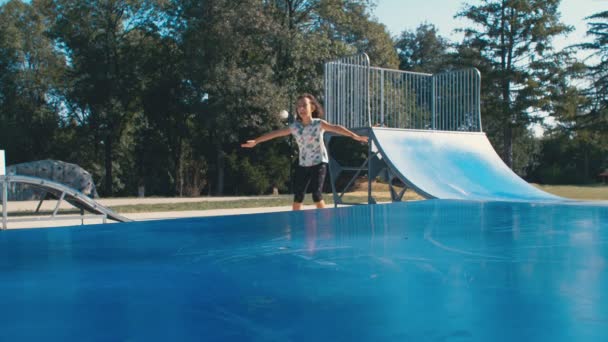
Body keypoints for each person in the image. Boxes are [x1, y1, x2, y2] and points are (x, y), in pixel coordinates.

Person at [241, 93, 368, 210]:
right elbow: (275, 134)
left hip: (319, 163)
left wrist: (354, 136)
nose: (301, 108)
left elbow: (336, 128)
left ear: (312, 107)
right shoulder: (295, 127)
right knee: (298, 196)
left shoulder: (319, 124)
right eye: (299, 106)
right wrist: (257, 141)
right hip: (303, 164)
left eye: (304, 105)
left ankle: (326, 223)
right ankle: (296, 222)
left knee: (316, 194)